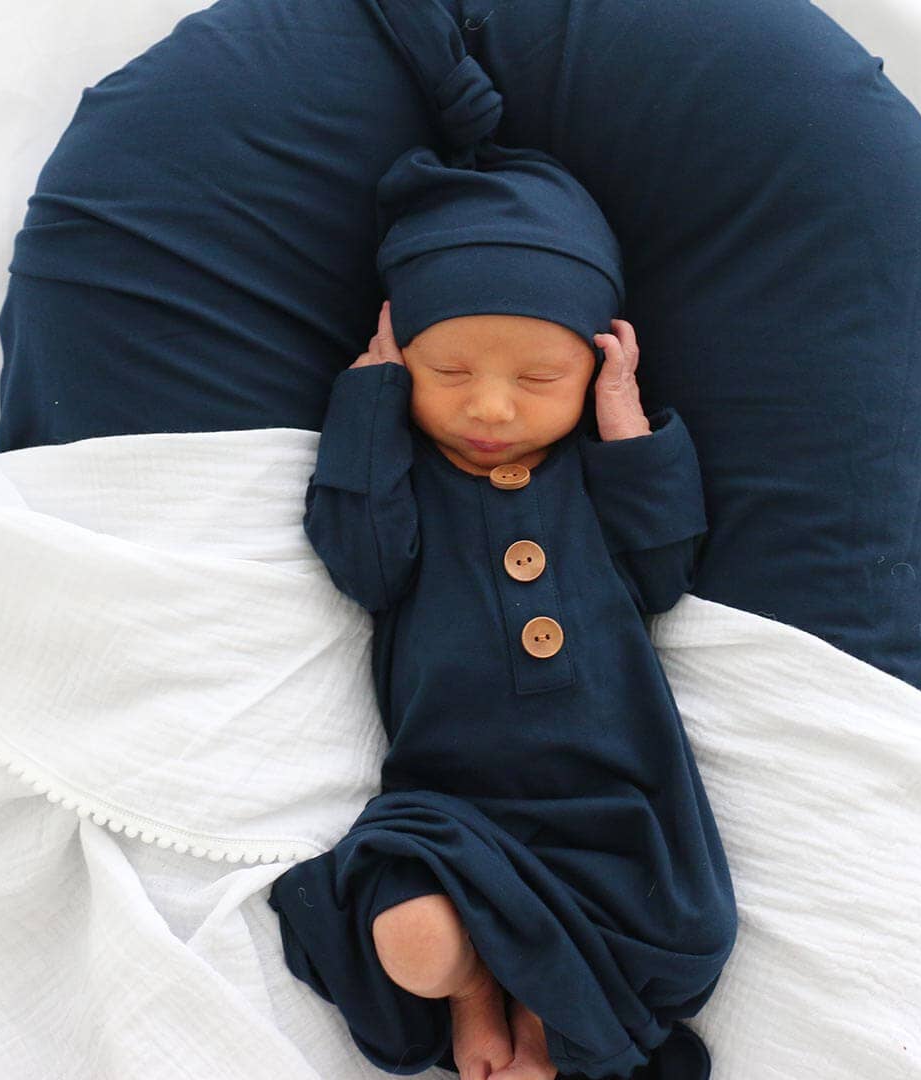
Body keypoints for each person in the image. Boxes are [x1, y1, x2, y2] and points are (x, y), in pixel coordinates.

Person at [268, 138, 737, 1080]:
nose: (490, 408)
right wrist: (369, 404)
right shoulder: (405, 485)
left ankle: (529, 1011)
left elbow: (663, 574)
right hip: (458, 798)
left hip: (619, 794)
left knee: (686, 923)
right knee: (418, 937)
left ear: (593, 361)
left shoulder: (590, 475)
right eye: (447, 375)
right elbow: (361, 564)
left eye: (538, 381)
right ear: (405, 362)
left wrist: (623, 422)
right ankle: (483, 996)